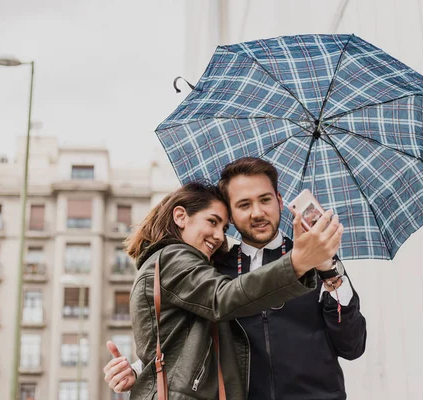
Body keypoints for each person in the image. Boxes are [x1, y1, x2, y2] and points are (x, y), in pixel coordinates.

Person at [105, 158, 367, 399]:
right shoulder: (213, 269)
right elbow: (189, 338)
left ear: (279, 200)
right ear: (231, 213)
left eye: (265, 200)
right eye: (244, 204)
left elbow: (352, 345)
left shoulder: (316, 258)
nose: (257, 212)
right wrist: (141, 369)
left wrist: (329, 271)